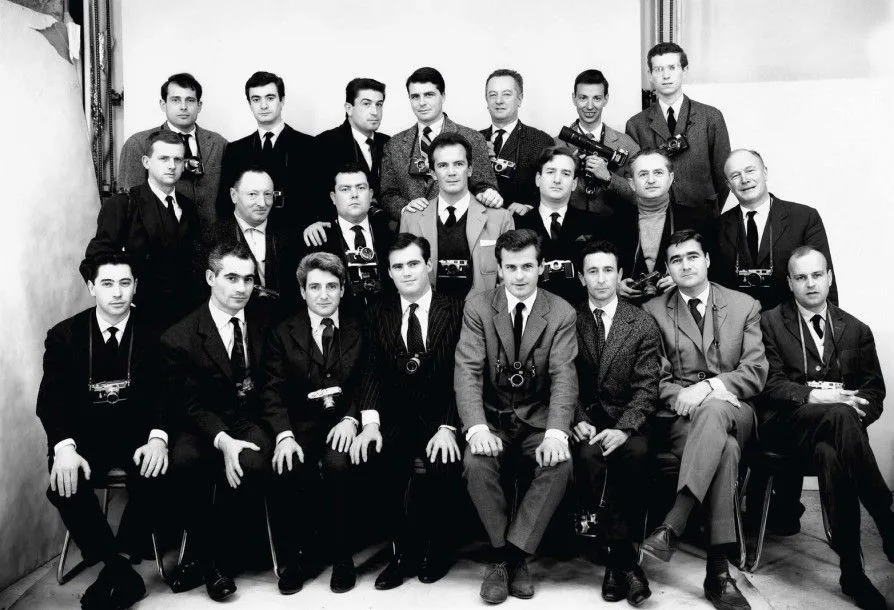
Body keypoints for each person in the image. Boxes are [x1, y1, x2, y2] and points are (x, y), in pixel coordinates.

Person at [758, 246, 893, 610]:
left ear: (829, 277)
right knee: (837, 414)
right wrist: (812, 397)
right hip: (786, 429)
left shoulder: (856, 329)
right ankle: (885, 515)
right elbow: (768, 386)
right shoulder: (769, 322)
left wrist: (851, 407)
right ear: (789, 283)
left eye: (816, 275)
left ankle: (852, 572)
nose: (810, 283)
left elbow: (874, 392)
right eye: (800, 277)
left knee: (831, 451)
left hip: (834, 438)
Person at [640, 229, 767, 610]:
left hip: (735, 411)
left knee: (717, 413)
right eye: (676, 260)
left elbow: (756, 371)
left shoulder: (745, 305)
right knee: (724, 452)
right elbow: (654, 378)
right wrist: (682, 396)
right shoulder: (652, 311)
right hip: (680, 418)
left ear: (707, 260)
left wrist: (709, 387)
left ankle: (673, 523)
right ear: (667, 268)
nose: (686, 265)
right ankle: (717, 574)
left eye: (692, 256)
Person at [37, 252, 166, 610]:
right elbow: (51, 400)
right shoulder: (64, 335)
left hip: (136, 436)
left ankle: (114, 566)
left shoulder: (156, 334)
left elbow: (165, 396)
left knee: (159, 472)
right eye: (107, 284)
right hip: (83, 439)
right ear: (92, 286)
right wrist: (63, 446)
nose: (117, 293)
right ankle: (119, 567)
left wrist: (158, 438)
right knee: (64, 483)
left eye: (126, 283)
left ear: (136, 286)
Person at [455, 228, 577, 604]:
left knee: (559, 465)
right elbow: (468, 371)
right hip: (491, 417)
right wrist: (476, 427)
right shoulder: (478, 306)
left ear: (541, 267)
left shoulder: (561, 312)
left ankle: (512, 556)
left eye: (528, 266)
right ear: (499, 270)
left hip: (537, 418)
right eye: (512, 267)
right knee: (476, 463)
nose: (520, 275)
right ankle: (501, 552)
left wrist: (557, 434)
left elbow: (563, 377)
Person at [161, 241, 273, 602]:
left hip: (248, 418)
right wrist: (222, 440)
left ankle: (214, 558)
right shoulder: (180, 336)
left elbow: (273, 382)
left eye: (248, 279)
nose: (241, 288)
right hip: (201, 423)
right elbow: (188, 406)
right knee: (186, 460)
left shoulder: (265, 320)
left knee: (251, 461)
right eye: (231, 278)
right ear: (211, 277)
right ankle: (212, 561)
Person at [352, 234, 465, 590]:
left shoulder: (457, 308)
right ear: (388, 272)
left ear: (429, 265)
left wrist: (449, 426)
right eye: (398, 266)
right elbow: (370, 370)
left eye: (413, 264)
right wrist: (370, 424)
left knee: (444, 462)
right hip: (396, 415)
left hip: (443, 414)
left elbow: (464, 374)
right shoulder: (377, 313)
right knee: (381, 457)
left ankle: (439, 548)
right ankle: (402, 552)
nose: (407, 272)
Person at [261, 252, 366, 595]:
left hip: (344, 423)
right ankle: (295, 559)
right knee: (287, 466)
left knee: (340, 465)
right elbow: (271, 391)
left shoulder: (358, 327)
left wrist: (352, 419)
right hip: (300, 426)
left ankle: (342, 558)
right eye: (315, 287)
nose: (324, 294)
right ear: (302, 291)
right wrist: (284, 436)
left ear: (343, 290)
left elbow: (367, 381)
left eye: (332, 286)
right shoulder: (281, 332)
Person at [572, 239, 660, 606]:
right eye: (592, 271)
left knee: (635, 455)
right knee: (590, 458)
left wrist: (624, 428)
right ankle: (625, 563)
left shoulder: (640, 321)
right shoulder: (568, 318)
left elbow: (647, 387)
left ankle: (616, 560)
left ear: (620, 274)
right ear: (581, 277)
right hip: (587, 422)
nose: (601, 279)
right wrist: (574, 418)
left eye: (608, 270)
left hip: (627, 420)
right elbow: (561, 378)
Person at [83, 130, 203, 336]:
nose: (172, 165)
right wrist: (119, 301)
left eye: (178, 159)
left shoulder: (189, 208)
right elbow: (95, 259)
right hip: (140, 318)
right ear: (146, 162)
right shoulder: (123, 204)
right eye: (163, 158)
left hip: (185, 318)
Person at [713, 149, 837, 312]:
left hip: (793, 327)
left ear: (765, 173)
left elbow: (823, 280)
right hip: (738, 329)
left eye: (750, 170)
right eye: (735, 175)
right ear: (728, 185)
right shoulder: (716, 227)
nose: (744, 179)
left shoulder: (804, 218)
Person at [399, 132, 514, 300]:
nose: (451, 172)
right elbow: (403, 278)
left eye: (459, 164)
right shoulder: (412, 218)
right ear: (432, 172)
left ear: (470, 169)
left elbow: (509, 281)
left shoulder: (500, 218)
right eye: (443, 165)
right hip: (431, 318)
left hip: (482, 316)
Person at [380, 66, 501, 220]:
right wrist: (405, 208)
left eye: (429, 95)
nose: (422, 103)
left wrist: (488, 194)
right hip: (412, 234)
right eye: (415, 96)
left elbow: (485, 185)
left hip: (459, 229)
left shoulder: (473, 138)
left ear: (443, 96)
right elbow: (388, 194)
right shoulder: (394, 145)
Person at [625, 43, 731, 217]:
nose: (666, 75)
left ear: (685, 70)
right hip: (658, 217)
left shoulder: (710, 117)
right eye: (658, 69)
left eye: (672, 68)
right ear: (649, 75)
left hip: (704, 213)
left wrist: (712, 207)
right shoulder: (636, 124)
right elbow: (635, 179)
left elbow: (723, 173)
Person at [118, 73, 227, 231]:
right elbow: (129, 202)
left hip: (213, 241)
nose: (183, 107)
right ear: (163, 104)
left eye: (190, 100)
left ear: (199, 105)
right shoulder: (139, 143)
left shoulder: (219, 143)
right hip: (163, 242)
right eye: (175, 100)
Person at [217, 71, 320, 230]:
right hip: (249, 239)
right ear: (250, 104)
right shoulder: (235, 150)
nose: (263, 106)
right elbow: (225, 203)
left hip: (297, 236)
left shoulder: (309, 145)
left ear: (282, 100)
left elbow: (318, 198)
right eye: (256, 99)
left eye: (270, 98)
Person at [204, 166, 299, 325]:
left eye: (267, 194)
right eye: (252, 195)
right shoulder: (212, 237)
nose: (262, 203)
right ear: (234, 195)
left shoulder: (290, 235)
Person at [614, 149, 711, 304]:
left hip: (681, 306)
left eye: (658, 173)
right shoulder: (613, 222)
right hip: (628, 309)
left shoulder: (697, 220)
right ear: (632, 183)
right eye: (643, 174)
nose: (651, 180)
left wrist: (686, 279)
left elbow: (714, 269)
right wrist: (614, 287)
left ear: (670, 178)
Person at [514, 146, 603, 305]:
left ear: (574, 183)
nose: (557, 179)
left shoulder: (595, 224)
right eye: (550, 172)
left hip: (581, 314)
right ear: (538, 179)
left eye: (566, 173)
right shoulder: (517, 224)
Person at [302, 163, 395, 313]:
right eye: (345, 189)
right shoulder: (319, 239)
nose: (354, 194)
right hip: (343, 326)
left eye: (361, 188)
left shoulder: (390, 233)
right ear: (333, 197)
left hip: (388, 323)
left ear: (371, 195)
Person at [560, 69, 639, 219]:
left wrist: (609, 177)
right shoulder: (557, 144)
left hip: (613, 229)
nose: (589, 106)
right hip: (569, 229)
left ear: (606, 99)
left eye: (596, 98)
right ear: (574, 99)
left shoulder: (627, 144)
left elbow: (640, 195)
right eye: (583, 98)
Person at [479, 69, 555, 216]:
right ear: (486, 100)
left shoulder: (541, 141)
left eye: (506, 94)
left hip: (522, 226)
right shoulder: (474, 139)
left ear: (519, 99)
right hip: (480, 225)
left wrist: (529, 206)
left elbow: (553, 187)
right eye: (492, 95)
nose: (499, 101)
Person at [315, 78, 390, 205]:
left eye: (379, 104)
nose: (375, 112)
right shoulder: (323, 144)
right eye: (366, 104)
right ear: (349, 108)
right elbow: (317, 195)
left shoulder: (388, 143)